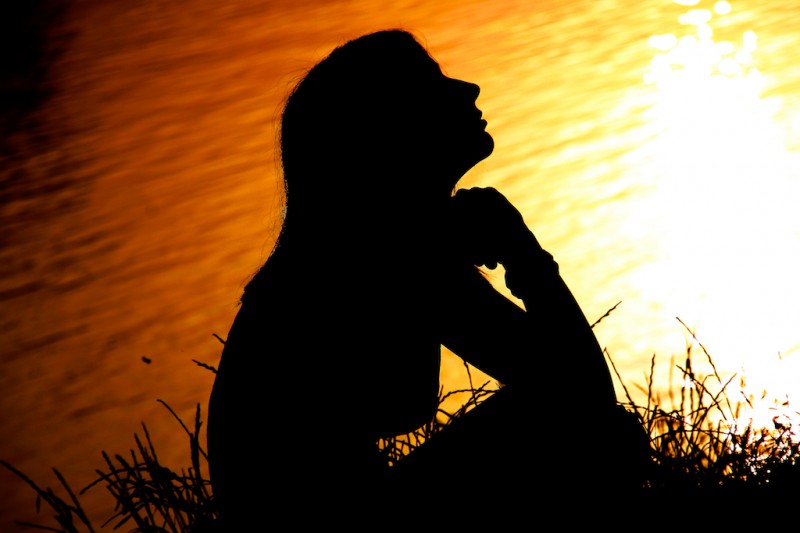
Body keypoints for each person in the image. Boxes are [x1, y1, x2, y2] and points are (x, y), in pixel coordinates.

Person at [206, 29, 650, 529]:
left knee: (594, 430)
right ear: (396, 128)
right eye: (436, 82)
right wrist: (524, 254)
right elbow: (582, 387)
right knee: (599, 435)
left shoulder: (373, 243)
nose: (470, 89)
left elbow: (566, 382)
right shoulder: (394, 252)